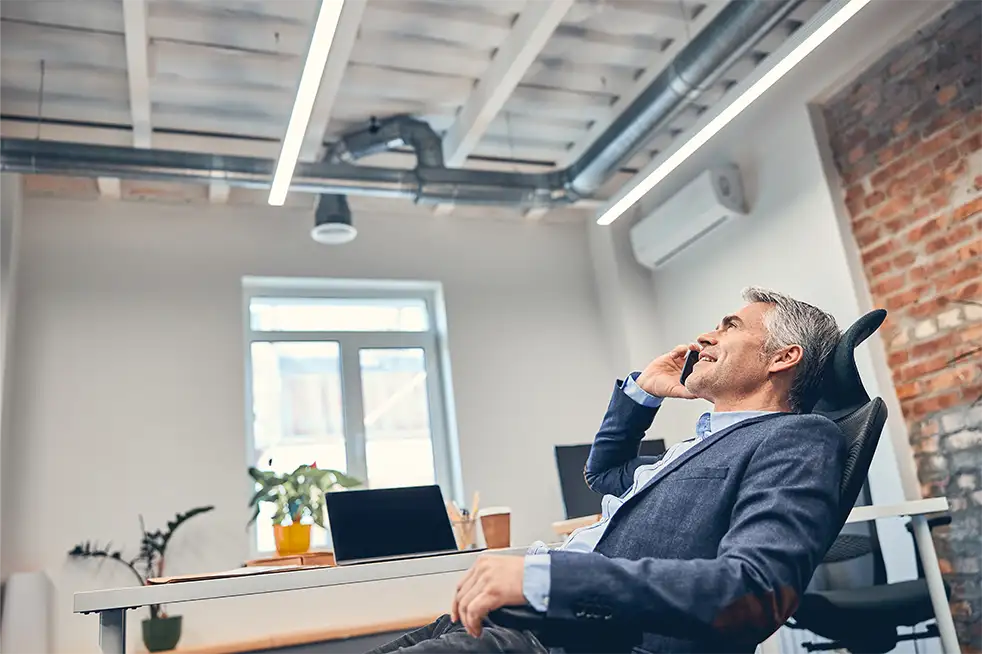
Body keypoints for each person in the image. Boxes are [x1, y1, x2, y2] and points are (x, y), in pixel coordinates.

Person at [368, 287, 846, 654]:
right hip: (521, 619)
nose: (705, 336)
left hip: (573, 639)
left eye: (730, 326)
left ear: (783, 357)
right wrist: (645, 390)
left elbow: (753, 591)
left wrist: (546, 579)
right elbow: (605, 472)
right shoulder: (705, 441)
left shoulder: (795, 436)